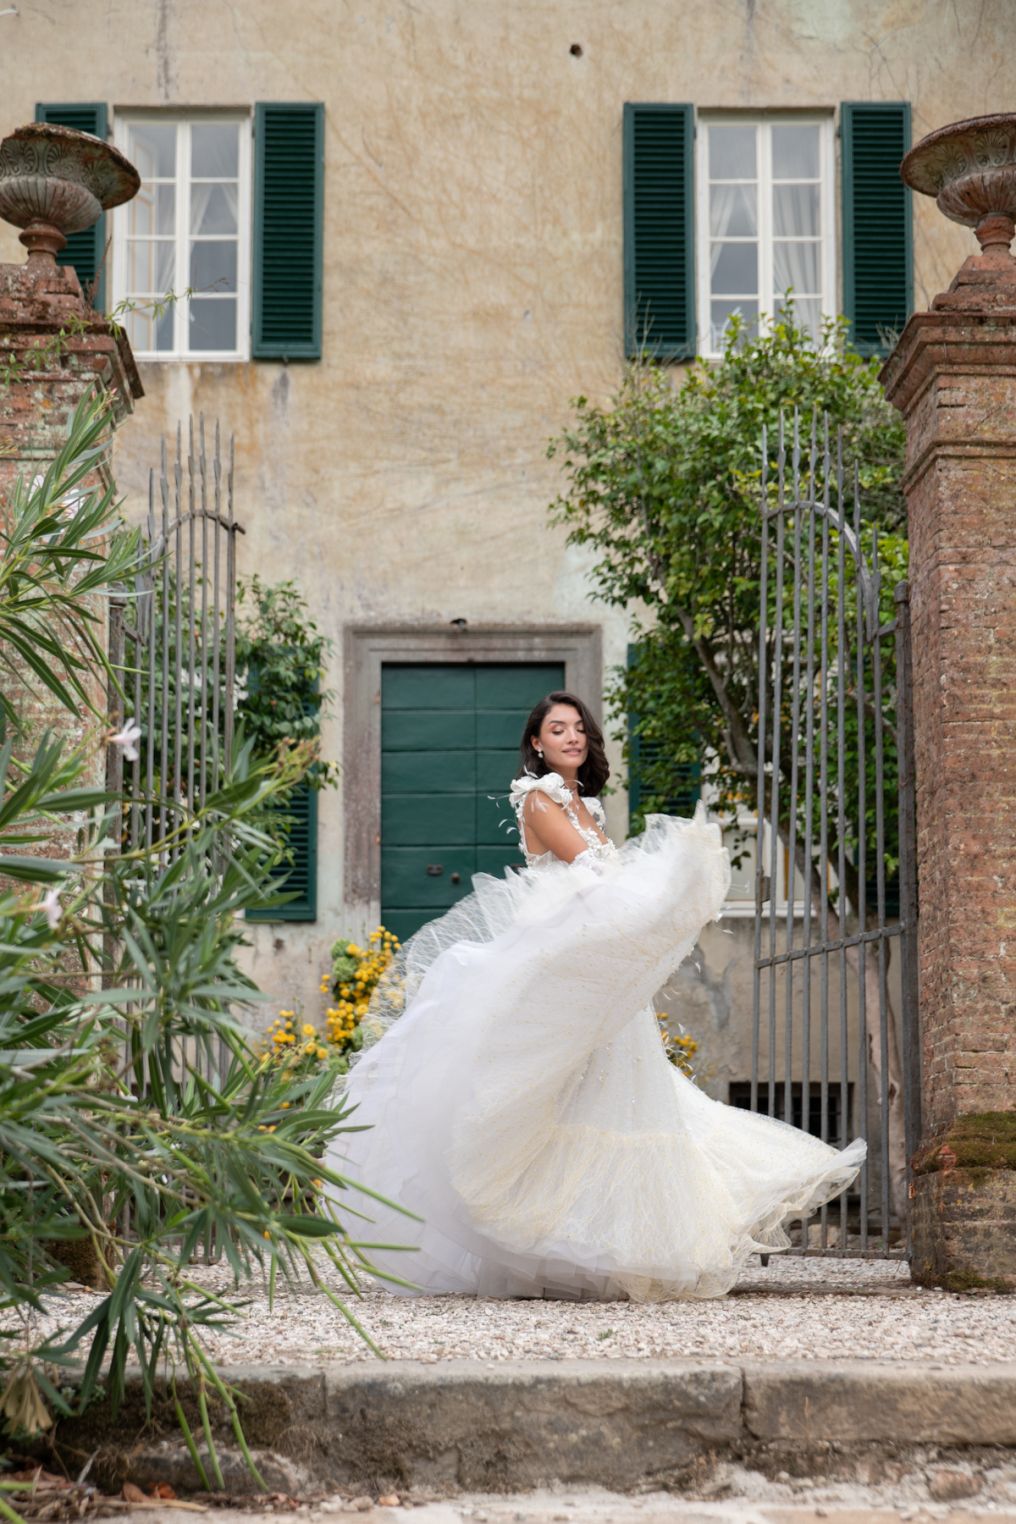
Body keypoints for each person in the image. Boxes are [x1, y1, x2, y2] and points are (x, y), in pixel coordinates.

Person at [325, 690, 865, 1301]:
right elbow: (589, 870)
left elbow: (608, 885)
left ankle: (617, 1250)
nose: (572, 738)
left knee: (622, 1096)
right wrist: (664, 880)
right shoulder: (538, 797)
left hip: (597, 965)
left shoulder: (588, 802)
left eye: (579, 728)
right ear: (537, 742)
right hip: (562, 959)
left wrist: (667, 898)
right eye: (558, 729)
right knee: (562, 1094)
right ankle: (562, 1243)